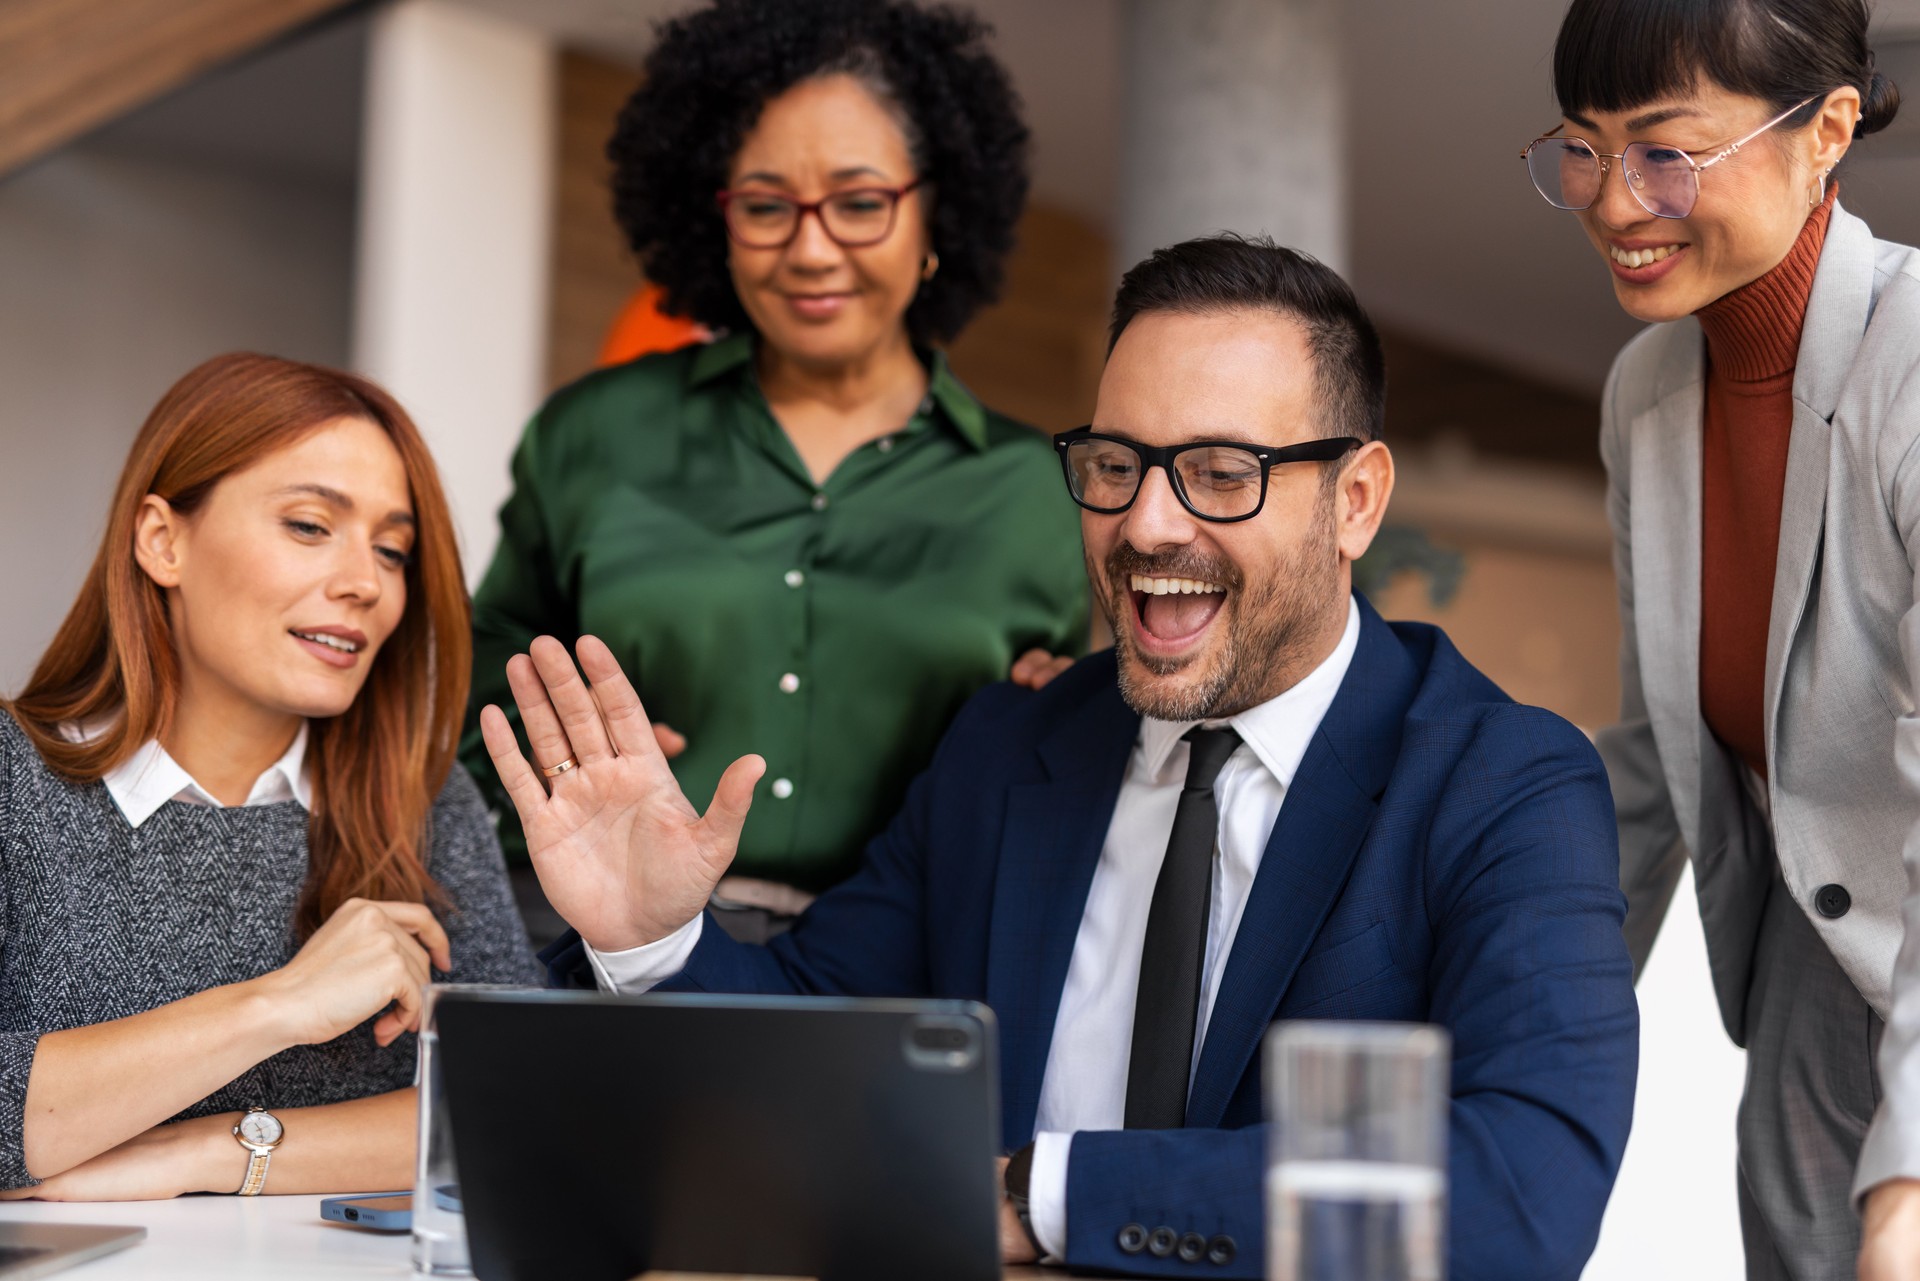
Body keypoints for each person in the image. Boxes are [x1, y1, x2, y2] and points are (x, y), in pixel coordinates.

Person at [480, 236, 1640, 1279]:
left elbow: (1526, 1190)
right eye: (1115, 464)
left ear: (1356, 500)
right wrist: (649, 933)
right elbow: (806, 1041)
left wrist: (1043, 1195)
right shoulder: (1010, 746)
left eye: (1222, 473)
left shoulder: (1504, 782)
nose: (1145, 525)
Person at [460, 0, 1087, 943]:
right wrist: (559, 764)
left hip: (902, 954)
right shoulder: (596, 432)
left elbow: (1066, 746)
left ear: (936, 216)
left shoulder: (1040, 491)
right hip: (599, 942)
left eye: (860, 202)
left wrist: (1065, 710)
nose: (810, 248)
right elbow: (478, 678)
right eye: (765, 206)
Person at [1518, 1, 1920, 1275]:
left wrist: (1909, 1170)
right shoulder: (1646, 395)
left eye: (1666, 150)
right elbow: (1652, 762)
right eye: (1585, 149)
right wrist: (1514, 1047)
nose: (1617, 202)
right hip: (1814, 969)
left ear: (1828, 132)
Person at [0, 353, 538, 1200]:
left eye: (393, 550)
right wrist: (280, 1004)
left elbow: (515, 1106)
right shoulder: (12, 781)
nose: (365, 583)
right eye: (309, 526)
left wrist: (207, 1153)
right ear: (162, 540)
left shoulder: (428, 802)